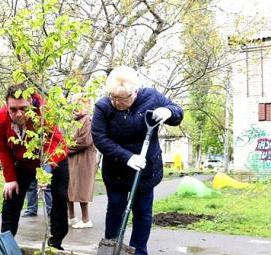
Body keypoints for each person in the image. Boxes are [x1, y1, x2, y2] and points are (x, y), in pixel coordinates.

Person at [91, 66, 183, 255]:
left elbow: (177, 112)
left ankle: (139, 251)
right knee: (116, 209)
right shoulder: (103, 106)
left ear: (135, 92)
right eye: (113, 97)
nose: (117, 102)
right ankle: (111, 249)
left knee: (142, 213)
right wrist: (128, 157)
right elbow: (99, 138)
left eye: (122, 98)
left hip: (146, 171)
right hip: (116, 171)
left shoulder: (150, 97)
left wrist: (168, 112)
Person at [0, 83, 69, 251]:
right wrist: (10, 179)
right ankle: (6, 245)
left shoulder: (45, 112)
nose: (18, 114)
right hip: (23, 161)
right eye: (13, 109)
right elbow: (2, 148)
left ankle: (55, 245)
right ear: (6, 106)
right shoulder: (2, 118)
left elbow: (53, 143)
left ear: (31, 102)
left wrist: (45, 171)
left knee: (59, 198)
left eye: (23, 108)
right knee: (11, 198)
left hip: (54, 158)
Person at [67, 97, 97, 229]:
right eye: (74, 106)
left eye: (79, 106)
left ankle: (86, 220)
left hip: (84, 159)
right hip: (73, 159)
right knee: (70, 187)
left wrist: (65, 148)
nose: (75, 109)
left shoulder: (87, 121)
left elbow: (85, 141)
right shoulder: (74, 122)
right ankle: (71, 217)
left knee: (82, 188)